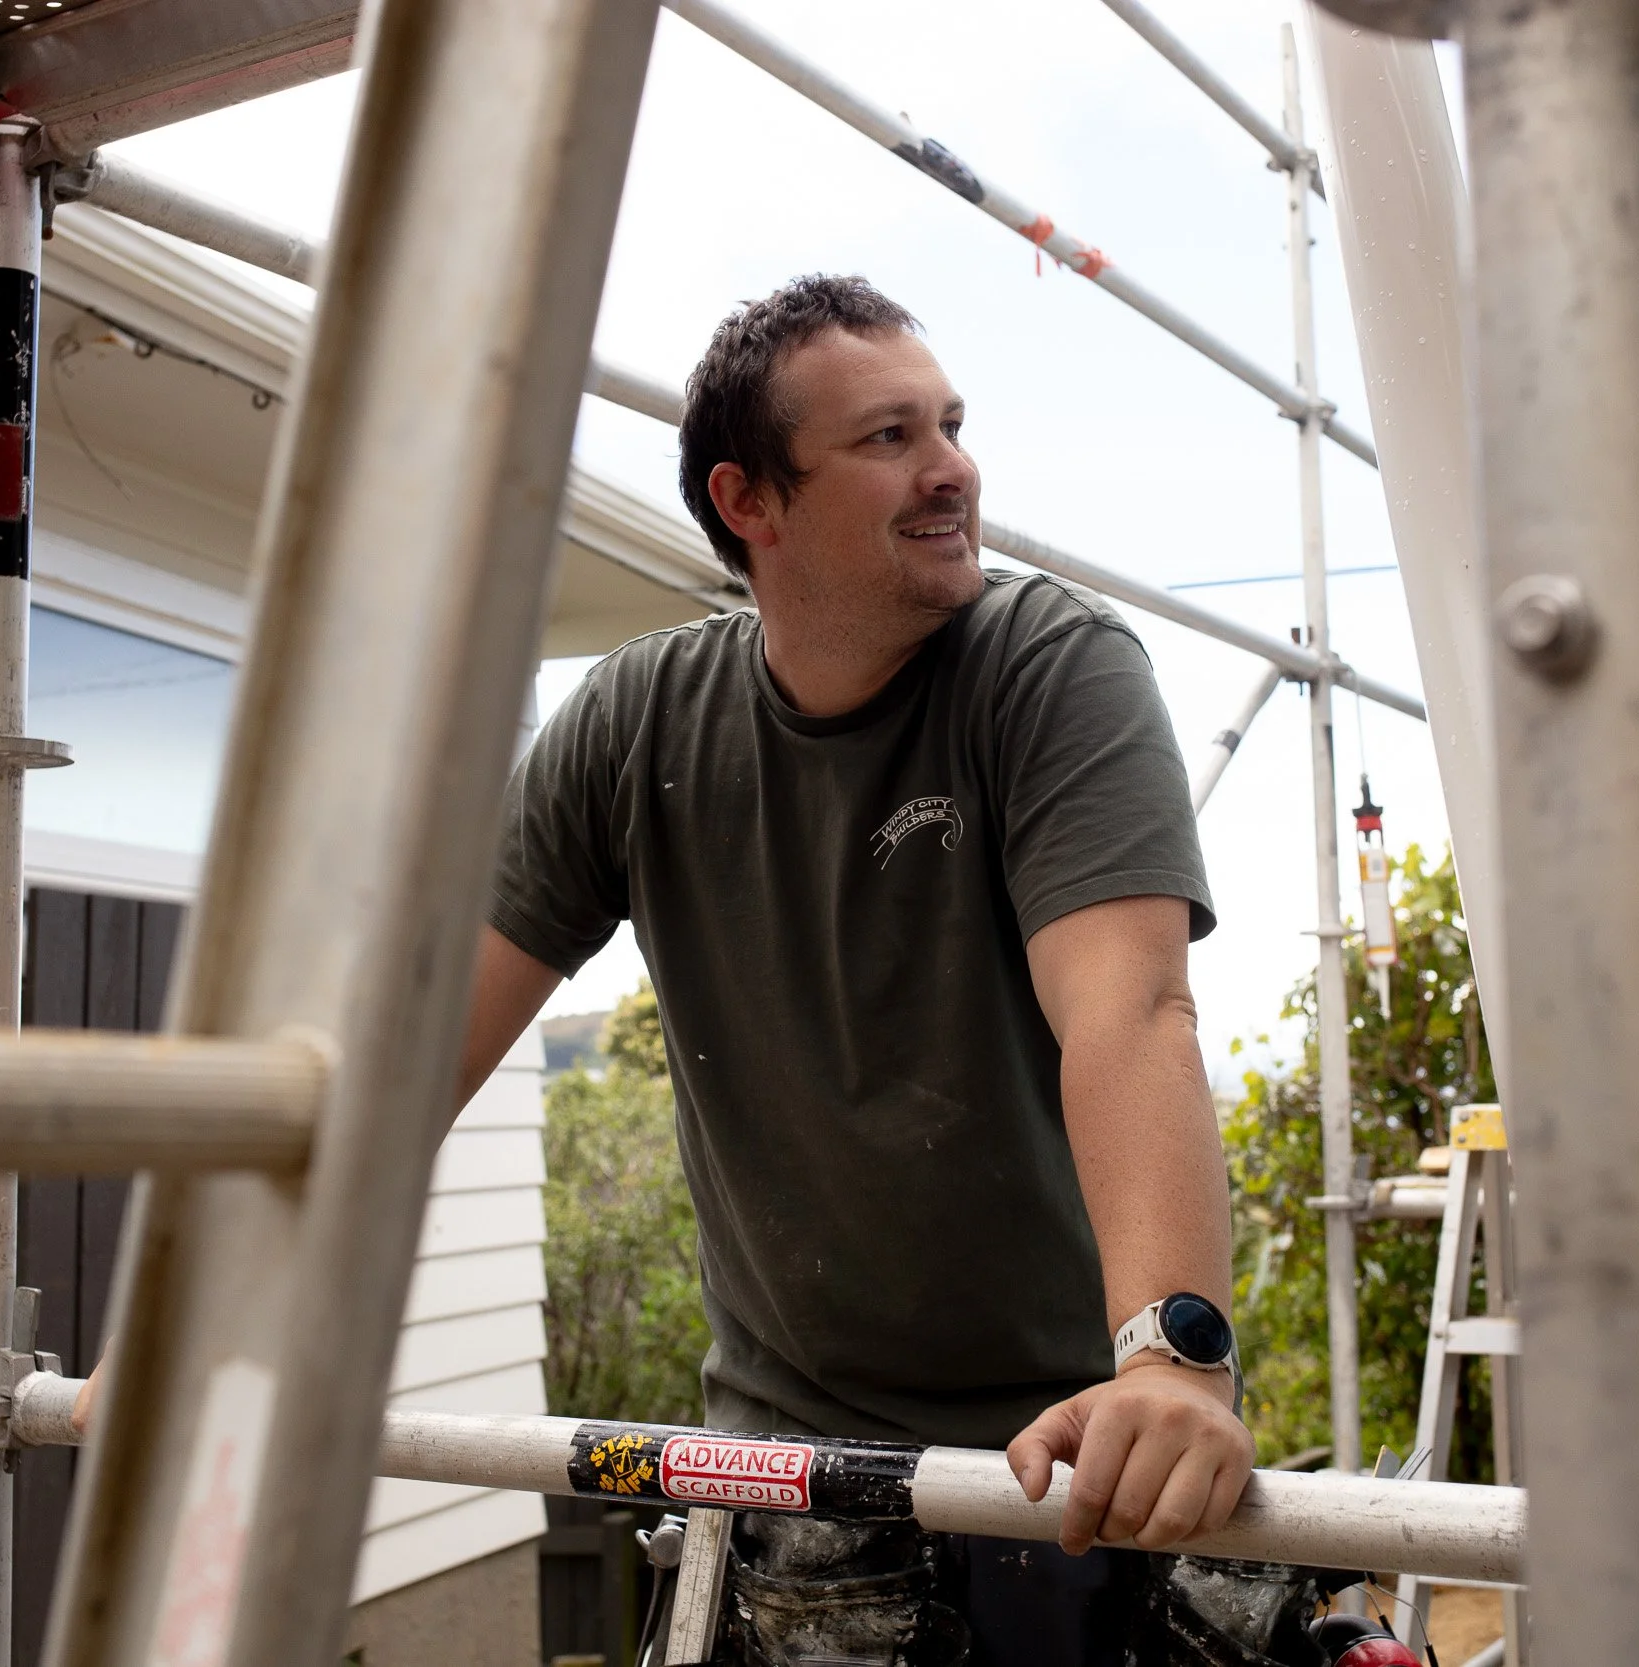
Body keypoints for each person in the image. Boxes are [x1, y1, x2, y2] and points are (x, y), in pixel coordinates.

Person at [83, 274, 1289, 1662]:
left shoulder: (1047, 666)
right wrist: (205, 1327)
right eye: (890, 437)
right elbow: (400, 1063)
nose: (954, 468)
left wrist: (1173, 1359)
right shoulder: (639, 723)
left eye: (951, 424)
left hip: (1067, 1461)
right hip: (790, 1489)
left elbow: (1131, 1012)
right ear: (749, 500)